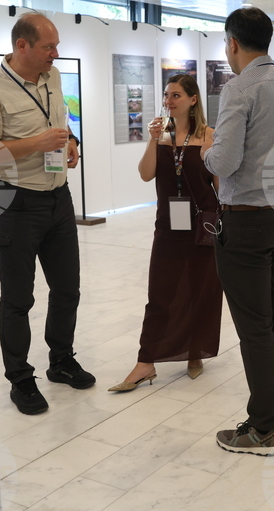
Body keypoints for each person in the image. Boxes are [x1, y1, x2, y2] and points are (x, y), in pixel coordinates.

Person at [201, 6, 274, 456]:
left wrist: (208, 151)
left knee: (255, 327)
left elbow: (224, 163)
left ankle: (262, 428)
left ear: (232, 43)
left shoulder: (240, 88)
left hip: (247, 220)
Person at [0, 13, 94, 415]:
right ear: (21, 46)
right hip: (14, 201)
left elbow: (56, 122)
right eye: (48, 47)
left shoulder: (52, 76)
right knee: (17, 299)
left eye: (56, 46)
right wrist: (36, 142)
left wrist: (69, 140)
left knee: (67, 289)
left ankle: (61, 361)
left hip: (58, 198)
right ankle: (21, 379)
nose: (56, 54)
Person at [108, 74, 223, 392]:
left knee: (201, 290)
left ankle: (195, 352)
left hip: (203, 223)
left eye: (176, 95)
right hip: (169, 224)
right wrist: (151, 139)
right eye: (166, 95)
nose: (169, 101)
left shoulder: (210, 136)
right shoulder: (161, 135)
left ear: (193, 99)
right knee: (160, 292)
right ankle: (146, 362)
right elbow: (146, 175)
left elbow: (219, 185)